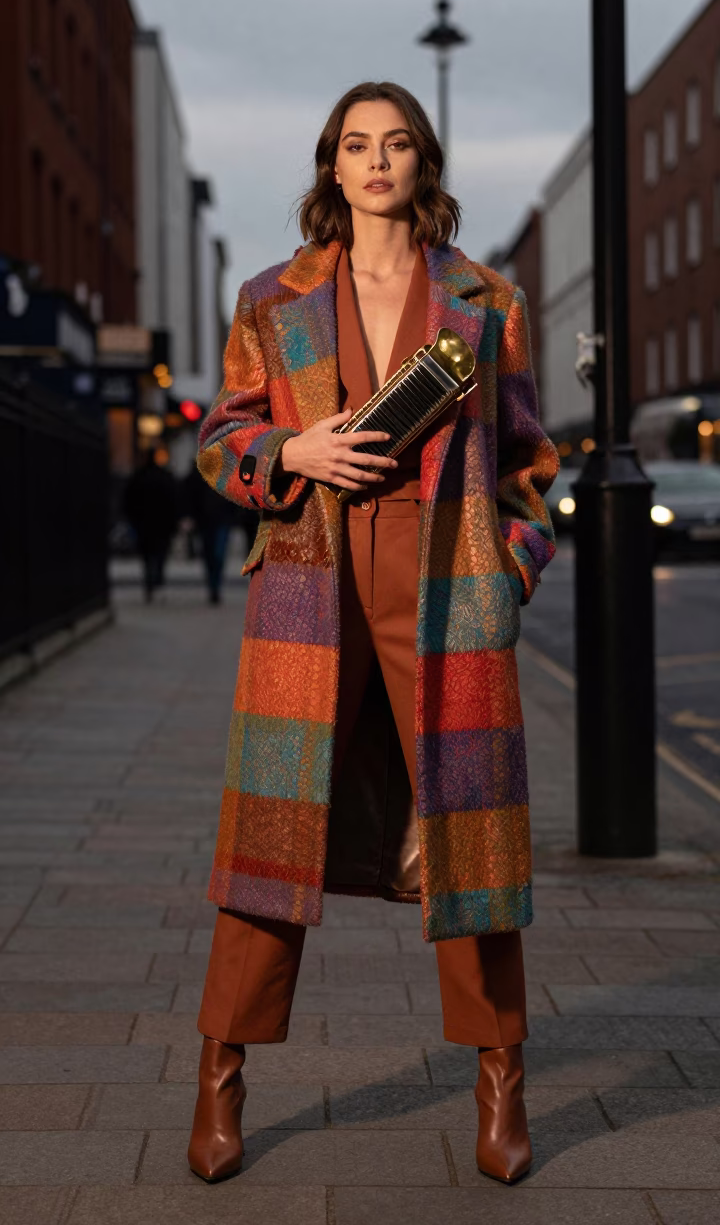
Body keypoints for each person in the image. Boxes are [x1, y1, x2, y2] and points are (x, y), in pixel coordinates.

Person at [187, 81, 559, 1185]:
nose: (378, 160)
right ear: (332, 167)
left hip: (446, 584)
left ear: (422, 162)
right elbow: (221, 439)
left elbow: (535, 467)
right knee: (270, 838)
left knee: (472, 840)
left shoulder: (487, 300)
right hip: (311, 578)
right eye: (358, 144)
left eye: (397, 143)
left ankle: (500, 1079)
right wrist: (288, 455)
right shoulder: (272, 296)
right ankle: (219, 1076)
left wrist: (510, 573)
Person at [181, 464, 258, 604]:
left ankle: (215, 585)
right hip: (206, 521)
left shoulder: (225, 473)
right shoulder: (201, 473)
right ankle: (212, 585)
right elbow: (190, 495)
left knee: (217, 554)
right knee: (210, 554)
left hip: (221, 520)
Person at [123, 450, 178, 602]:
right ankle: (157, 582)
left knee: (147, 557)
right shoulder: (165, 478)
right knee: (160, 556)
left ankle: (150, 584)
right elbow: (174, 502)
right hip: (162, 525)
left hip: (144, 524)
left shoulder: (138, 478)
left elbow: (129, 502)